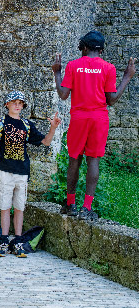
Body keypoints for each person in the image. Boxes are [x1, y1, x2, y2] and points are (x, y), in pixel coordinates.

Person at [53, 31, 136, 220]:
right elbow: (112, 99)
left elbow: (64, 94)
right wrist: (127, 77)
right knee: (94, 160)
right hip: (99, 119)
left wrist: (57, 72)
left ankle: (70, 204)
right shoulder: (108, 67)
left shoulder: (74, 65)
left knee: (74, 159)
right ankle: (86, 208)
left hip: (79, 118)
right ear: (101, 49)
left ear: (83, 47)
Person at [0, 91, 61, 257]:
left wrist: (53, 128)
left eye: (20, 103)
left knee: (19, 207)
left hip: (22, 171)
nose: (17, 105)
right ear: (7, 104)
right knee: (5, 207)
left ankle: (18, 241)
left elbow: (45, 142)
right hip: (5, 170)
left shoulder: (27, 125)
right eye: (14, 102)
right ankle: (4, 240)